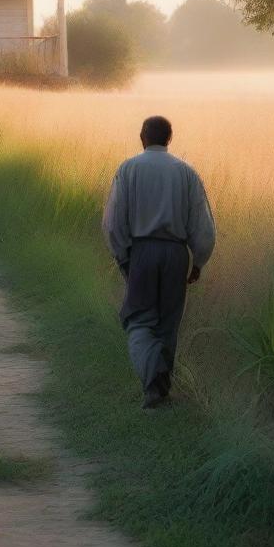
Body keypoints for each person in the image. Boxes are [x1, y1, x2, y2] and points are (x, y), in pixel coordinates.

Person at [102, 115, 215, 409]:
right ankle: (161, 388)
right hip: (177, 253)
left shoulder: (128, 170)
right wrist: (198, 261)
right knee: (168, 323)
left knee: (137, 320)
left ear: (142, 137)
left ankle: (154, 382)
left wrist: (123, 257)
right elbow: (203, 227)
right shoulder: (186, 173)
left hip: (141, 251)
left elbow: (113, 223)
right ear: (169, 139)